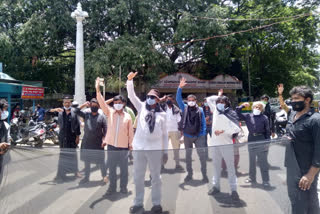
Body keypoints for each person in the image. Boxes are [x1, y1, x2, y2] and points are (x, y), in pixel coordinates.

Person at [126, 72, 168, 214]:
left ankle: (156, 204)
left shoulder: (162, 115)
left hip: (155, 150)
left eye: (153, 97)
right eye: (149, 97)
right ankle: (138, 203)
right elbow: (131, 96)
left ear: (157, 100)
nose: (150, 99)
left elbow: (165, 135)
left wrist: (165, 152)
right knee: (138, 177)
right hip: (139, 148)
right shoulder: (141, 107)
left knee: (156, 177)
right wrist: (130, 80)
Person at [280, 85, 320, 214]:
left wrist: (311, 174)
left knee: (308, 202)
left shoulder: (315, 120)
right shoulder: (292, 115)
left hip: (306, 169)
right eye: (292, 98)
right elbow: (291, 135)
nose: (293, 101)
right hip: (291, 166)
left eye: (297, 98)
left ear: (307, 100)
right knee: (295, 200)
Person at [96, 77, 134, 195]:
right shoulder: (110, 112)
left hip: (123, 148)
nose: (117, 105)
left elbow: (130, 133)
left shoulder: (127, 117)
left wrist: (131, 145)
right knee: (112, 169)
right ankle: (111, 188)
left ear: (124, 104)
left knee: (124, 170)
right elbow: (101, 102)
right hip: (112, 146)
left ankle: (123, 188)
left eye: (120, 103)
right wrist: (97, 88)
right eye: (116, 103)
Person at [206, 89, 241, 201]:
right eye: (218, 102)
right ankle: (216, 186)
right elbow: (208, 99)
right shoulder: (216, 111)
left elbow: (236, 129)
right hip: (215, 144)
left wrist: (223, 131)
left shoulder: (231, 113)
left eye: (223, 102)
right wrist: (219, 96)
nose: (220, 104)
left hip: (226, 144)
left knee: (230, 168)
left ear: (227, 103)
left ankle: (234, 189)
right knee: (216, 167)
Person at [176, 77, 208, 183]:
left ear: (196, 101)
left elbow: (203, 123)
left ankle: (204, 174)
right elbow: (178, 99)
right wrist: (180, 87)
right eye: (189, 101)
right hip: (187, 136)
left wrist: (202, 135)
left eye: (192, 100)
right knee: (188, 156)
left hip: (199, 136)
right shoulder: (184, 107)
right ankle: (189, 174)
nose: (190, 102)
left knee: (202, 156)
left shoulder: (201, 110)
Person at [236, 101, 271, 188]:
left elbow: (267, 130)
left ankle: (265, 180)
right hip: (251, 138)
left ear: (262, 109)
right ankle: (252, 178)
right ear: (253, 107)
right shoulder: (248, 116)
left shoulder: (264, 118)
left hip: (261, 139)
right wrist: (242, 106)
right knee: (252, 160)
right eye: (256, 107)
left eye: (259, 107)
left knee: (263, 161)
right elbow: (237, 113)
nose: (257, 108)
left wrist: (267, 142)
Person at [74, 99, 108, 184]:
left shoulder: (102, 117)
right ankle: (86, 178)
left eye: (95, 105)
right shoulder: (86, 115)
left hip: (98, 143)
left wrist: (104, 140)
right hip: (87, 142)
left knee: (101, 161)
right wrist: (84, 104)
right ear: (90, 106)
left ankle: (104, 176)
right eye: (92, 105)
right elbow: (75, 111)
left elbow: (106, 131)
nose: (94, 106)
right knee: (87, 161)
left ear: (98, 106)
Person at [49, 96, 81, 182]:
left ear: (70, 103)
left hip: (72, 137)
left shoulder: (74, 112)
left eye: (68, 102)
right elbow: (47, 112)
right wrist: (55, 109)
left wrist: (78, 137)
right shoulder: (60, 112)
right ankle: (60, 174)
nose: (67, 104)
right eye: (65, 102)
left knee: (73, 155)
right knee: (62, 156)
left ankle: (75, 172)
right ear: (63, 103)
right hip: (63, 137)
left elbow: (77, 125)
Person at [160, 94, 183, 171]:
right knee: (163, 149)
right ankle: (162, 165)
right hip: (164, 132)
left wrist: (181, 131)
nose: (168, 101)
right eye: (167, 99)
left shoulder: (177, 110)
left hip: (175, 131)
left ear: (173, 101)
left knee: (176, 149)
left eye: (170, 99)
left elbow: (179, 121)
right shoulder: (162, 108)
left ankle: (177, 164)